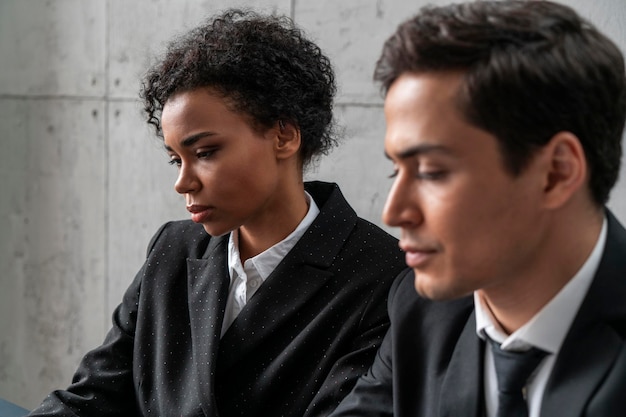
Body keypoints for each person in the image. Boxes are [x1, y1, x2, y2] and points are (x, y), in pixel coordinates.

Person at [28, 9, 406, 417]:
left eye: (205, 153)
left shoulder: (383, 276)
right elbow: (92, 397)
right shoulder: (173, 249)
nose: (183, 181)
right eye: (177, 159)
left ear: (284, 135)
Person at [330, 1, 626, 416]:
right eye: (395, 170)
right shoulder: (419, 307)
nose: (393, 213)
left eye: (432, 172)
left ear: (556, 173)